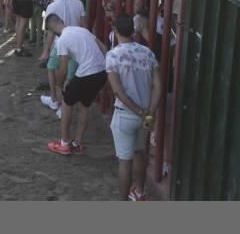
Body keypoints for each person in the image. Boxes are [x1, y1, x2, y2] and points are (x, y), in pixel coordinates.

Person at [106, 14, 161, 201]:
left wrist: (137, 110)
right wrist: (149, 113)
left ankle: (123, 201)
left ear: (115, 30)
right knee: (139, 153)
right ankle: (139, 192)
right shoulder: (148, 53)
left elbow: (117, 91)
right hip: (144, 116)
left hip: (125, 114)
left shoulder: (113, 55)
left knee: (125, 160)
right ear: (133, 30)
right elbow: (158, 86)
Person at [45, 14, 108, 155]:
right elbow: (103, 48)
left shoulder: (62, 40)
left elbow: (63, 68)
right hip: (101, 72)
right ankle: (78, 143)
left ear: (51, 30)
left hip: (86, 72)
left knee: (67, 103)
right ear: (62, 21)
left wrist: (59, 86)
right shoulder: (82, 30)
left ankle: (64, 143)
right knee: (85, 105)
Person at [41, 0, 86, 114]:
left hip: (59, 43)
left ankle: (55, 99)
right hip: (77, 43)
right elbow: (84, 26)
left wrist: (45, 51)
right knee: (70, 76)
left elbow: (50, 32)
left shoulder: (52, 6)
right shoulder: (79, 4)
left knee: (51, 68)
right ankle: (63, 104)